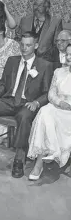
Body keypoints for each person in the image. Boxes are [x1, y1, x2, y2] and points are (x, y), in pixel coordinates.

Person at [0, 31, 54, 179]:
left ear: (36, 46)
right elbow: (3, 83)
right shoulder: (12, 61)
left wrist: (36, 102)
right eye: (22, 44)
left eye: (28, 45)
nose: (24, 48)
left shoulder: (44, 65)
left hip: (28, 104)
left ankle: (19, 160)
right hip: (10, 100)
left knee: (24, 118)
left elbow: (47, 93)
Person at [27, 43, 71, 181]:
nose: (68, 57)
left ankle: (46, 157)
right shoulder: (59, 71)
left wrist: (67, 105)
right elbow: (51, 94)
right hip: (57, 107)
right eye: (67, 54)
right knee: (45, 111)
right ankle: (46, 156)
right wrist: (59, 103)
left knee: (48, 116)